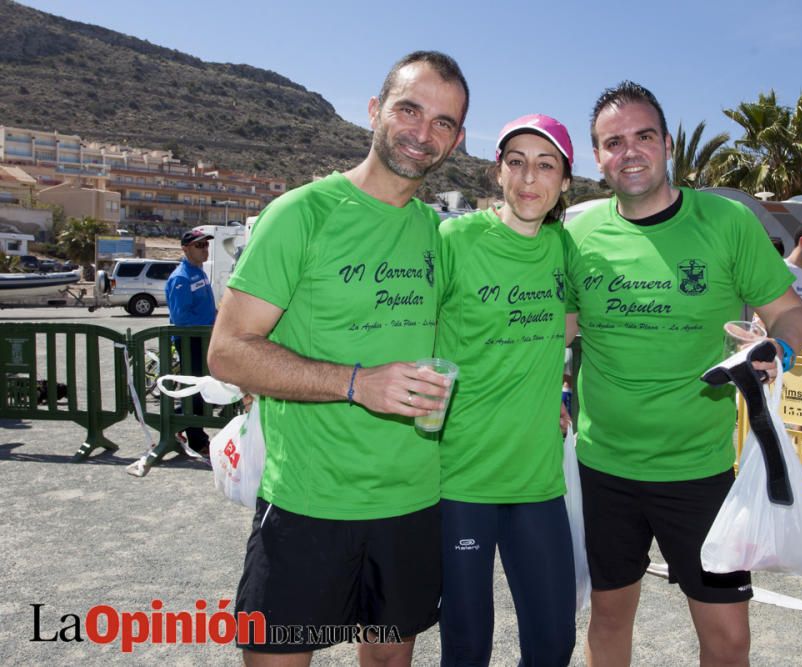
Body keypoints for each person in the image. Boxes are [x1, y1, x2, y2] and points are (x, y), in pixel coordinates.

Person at [206, 51, 469, 666]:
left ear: (456, 141)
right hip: (308, 502)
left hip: (411, 503)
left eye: (443, 122)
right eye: (409, 109)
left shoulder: (435, 231)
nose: (422, 132)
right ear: (375, 111)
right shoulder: (302, 213)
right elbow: (227, 352)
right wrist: (356, 383)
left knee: (387, 660)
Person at [563, 81, 802, 666]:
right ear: (597, 157)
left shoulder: (725, 222)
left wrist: (780, 349)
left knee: (728, 641)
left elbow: (791, 312)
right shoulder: (577, 234)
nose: (630, 152)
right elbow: (558, 333)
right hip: (604, 472)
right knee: (608, 622)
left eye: (643, 136)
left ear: (668, 143)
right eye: (612, 142)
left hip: (699, 474)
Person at [435, 114, 577, 666]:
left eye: (545, 166)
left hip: (537, 482)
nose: (528, 178)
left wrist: (557, 388)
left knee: (552, 642)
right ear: (498, 172)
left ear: (565, 182)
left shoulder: (563, 248)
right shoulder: (455, 239)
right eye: (515, 162)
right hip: (462, 479)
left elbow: (567, 327)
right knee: (467, 646)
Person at [165, 228, 217, 455]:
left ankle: (175, 419)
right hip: (191, 341)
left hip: (204, 338)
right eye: (200, 246)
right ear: (185, 249)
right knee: (196, 389)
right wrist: (208, 324)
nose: (205, 249)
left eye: (206, 245)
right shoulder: (181, 277)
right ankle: (196, 438)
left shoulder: (199, 272)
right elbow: (180, 318)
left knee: (204, 387)